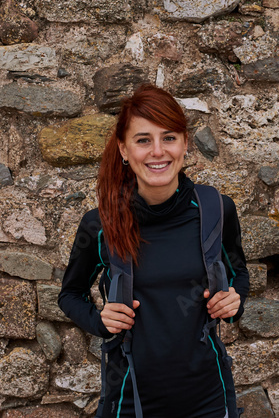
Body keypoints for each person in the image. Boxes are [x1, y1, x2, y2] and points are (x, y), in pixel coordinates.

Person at [58, 84, 249, 418]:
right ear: (124, 150)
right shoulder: (99, 225)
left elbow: (239, 275)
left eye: (169, 137)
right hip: (130, 398)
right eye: (143, 140)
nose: (158, 151)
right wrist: (100, 320)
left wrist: (234, 301)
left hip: (208, 396)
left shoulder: (216, 210)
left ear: (185, 144)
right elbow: (70, 294)